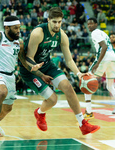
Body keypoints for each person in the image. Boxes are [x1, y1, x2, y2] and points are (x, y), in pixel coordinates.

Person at [19, 7, 100, 135]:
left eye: (59, 22)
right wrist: (36, 69)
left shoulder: (62, 35)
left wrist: (79, 74)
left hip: (46, 64)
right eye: (54, 22)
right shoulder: (38, 33)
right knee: (53, 100)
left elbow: (68, 60)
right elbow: (28, 57)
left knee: (68, 87)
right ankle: (40, 113)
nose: (57, 25)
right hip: (30, 68)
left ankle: (82, 124)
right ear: (48, 20)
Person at [83, 18, 115, 120]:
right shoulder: (103, 33)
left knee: (86, 81)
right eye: (88, 24)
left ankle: (89, 111)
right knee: (111, 87)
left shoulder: (95, 33)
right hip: (112, 59)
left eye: (91, 24)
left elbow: (103, 46)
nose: (89, 26)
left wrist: (97, 63)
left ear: (96, 24)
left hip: (104, 57)